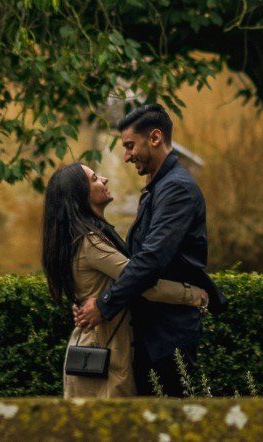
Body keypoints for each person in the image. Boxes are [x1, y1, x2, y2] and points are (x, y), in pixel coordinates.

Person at [72, 103, 225, 396]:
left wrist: (104, 306)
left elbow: (151, 259)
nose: (126, 156)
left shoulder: (176, 188)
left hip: (167, 335)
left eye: (130, 146)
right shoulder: (159, 186)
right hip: (153, 330)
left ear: (155, 138)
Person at [41, 160, 208, 399]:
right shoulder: (90, 243)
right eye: (95, 178)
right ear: (80, 194)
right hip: (104, 353)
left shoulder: (81, 240)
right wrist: (194, 295)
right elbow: (142, 283)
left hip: (92, 346)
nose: (105, 179)